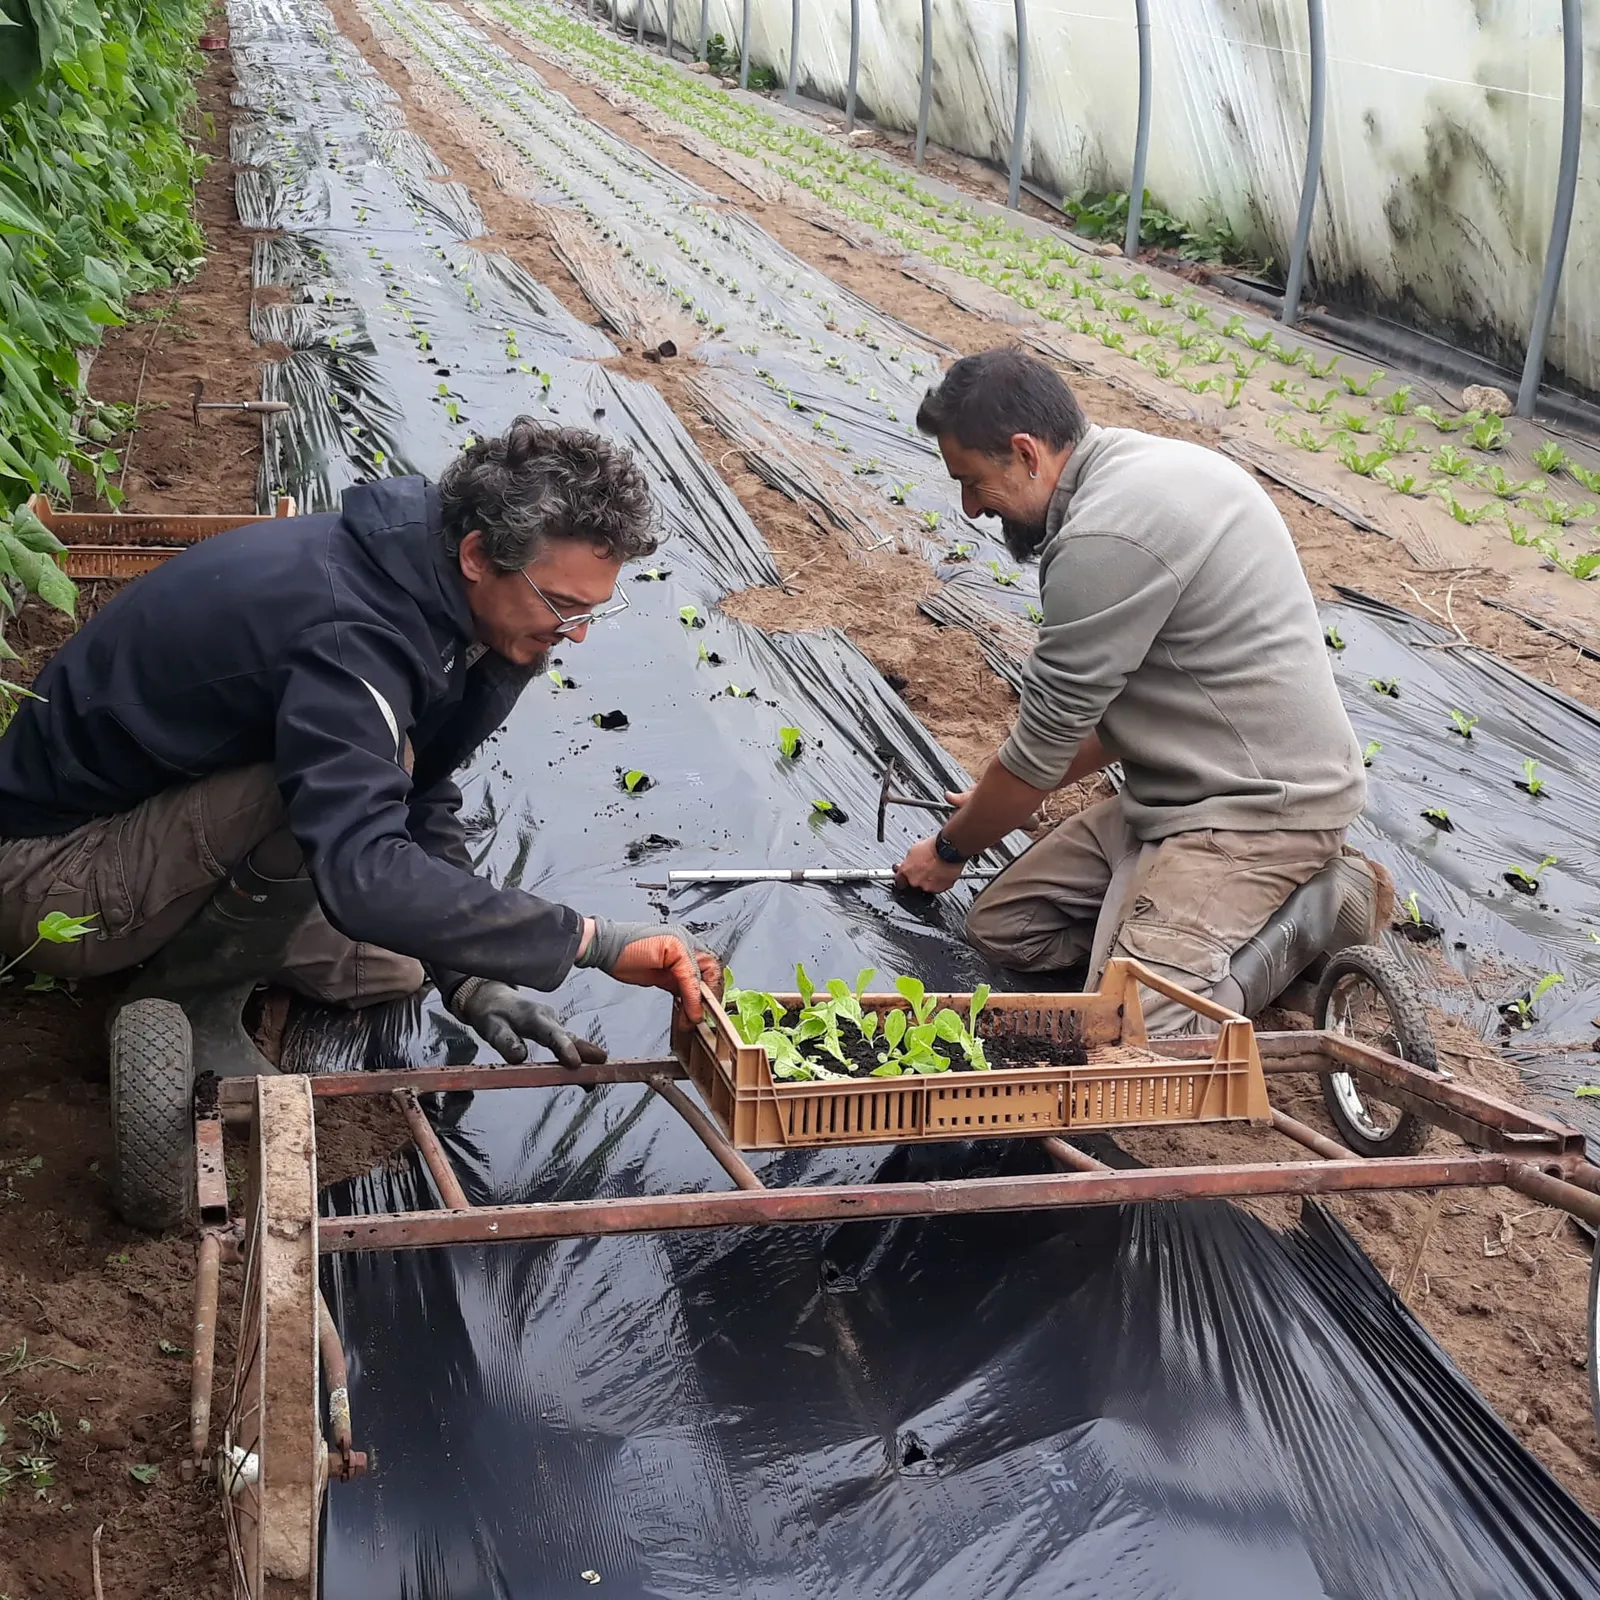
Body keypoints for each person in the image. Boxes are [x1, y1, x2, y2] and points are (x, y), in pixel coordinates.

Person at [0, 419, 718, 1071]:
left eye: (593, 610)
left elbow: (419, 788)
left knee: (392, 968)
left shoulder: (428, 585)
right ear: (478, 555)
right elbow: (367, 863)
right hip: (50, 878)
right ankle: (192, 1014)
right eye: (561, 604)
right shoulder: (352, 633)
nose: (575, 633)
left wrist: (468, 976)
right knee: (358, 849)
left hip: (150, 824)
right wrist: (589, 941)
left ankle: (216, 935)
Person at [895, 348, 1373, 1033]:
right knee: (1003, 930)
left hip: (1260, 808)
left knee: (1125, 1039)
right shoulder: (1132, 467)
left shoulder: (1104, 537)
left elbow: (1034, 760)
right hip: (1176, 786)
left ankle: (1319, 906)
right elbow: (1107, 720)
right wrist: (997, 798)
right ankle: (1160, 914)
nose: (971, 508)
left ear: (1027, 453)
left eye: (972, 482)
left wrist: (948, 850)